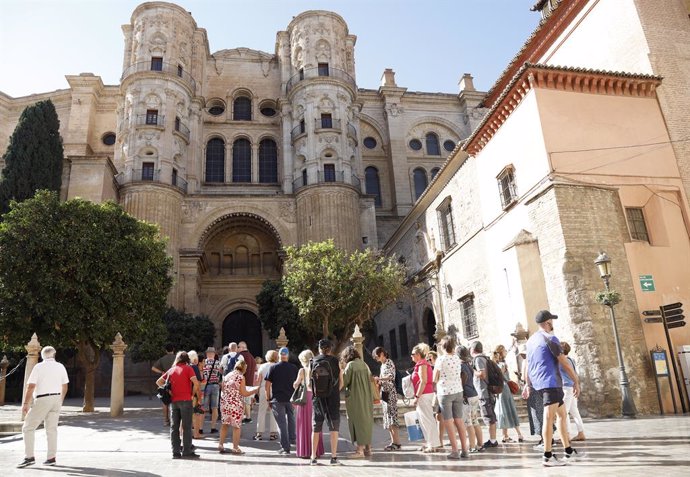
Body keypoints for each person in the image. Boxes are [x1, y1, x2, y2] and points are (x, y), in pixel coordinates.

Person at [525, 310, 580, 466]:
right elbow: (564, 362)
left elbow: (528, 364)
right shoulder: (550, 338)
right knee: (549, 419)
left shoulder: (531, 340)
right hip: (550, 383)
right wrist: (576, 381)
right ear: (548, 323)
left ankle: (568, 451)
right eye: (552, 321)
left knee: (562, 415)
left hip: (538, 383)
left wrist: (527, 384)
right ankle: (547, 456)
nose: (553, 324)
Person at [17, 346, 69, 468]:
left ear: (42, 355)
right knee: (51, 429)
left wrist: (25, 404)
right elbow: (65, 386)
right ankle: (51, 458)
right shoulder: (60, 366)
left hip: (42, 399)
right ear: (54, 354)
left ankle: (29, 457)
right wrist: (60, 400)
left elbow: (30, 386)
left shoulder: (39, 367)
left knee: (28, 427)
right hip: (56, 398)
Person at [156, 351, 200, 459]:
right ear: (187, 359)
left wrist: (170, 392)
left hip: (174, 401)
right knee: (187, 427)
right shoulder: (188, 369)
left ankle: (175, 452)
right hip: (186, 400)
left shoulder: (171, 370)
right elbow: (196, 383)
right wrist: (192, 394)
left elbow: (159, 382)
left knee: (174, 427)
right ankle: (187, 451)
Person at [433, 336, 469, 460]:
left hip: (445, 392)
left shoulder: (440, 359)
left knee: (448, 421)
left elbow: (434, 378)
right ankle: (465, 449)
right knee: (459, 420)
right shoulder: (457, 358)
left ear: (442, 347)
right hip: (458, 390)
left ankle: (455, 450)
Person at [310, 338, 343, 466]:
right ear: (330, 348)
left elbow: (309, 383)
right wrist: (333, 390)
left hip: (317, 398)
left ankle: (313, 457)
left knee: (316, 427)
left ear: (319, 348)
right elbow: (341, 382)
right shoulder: (336, 361)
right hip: (333, 397)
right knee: (334, 427)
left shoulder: (312, 361)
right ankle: (333, 457)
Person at [219, 359, 258, 454]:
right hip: (236, 404)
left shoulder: (227, 375)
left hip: (225, 403)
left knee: (225, 424)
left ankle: (220, 444)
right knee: (236, 426)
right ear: (244, 368)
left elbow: (223, 389)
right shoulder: (241, 377)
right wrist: (254, 390)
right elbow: (244, 393)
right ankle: (235, 447)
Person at [341, 346, 374, 458]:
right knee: (366, 421)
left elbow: (344, 382)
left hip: (355, 398)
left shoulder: (350, 365)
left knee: (358, 422)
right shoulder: (364, 364)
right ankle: (368, 448)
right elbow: (370, 378)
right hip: (366, 397)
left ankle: (359, 450)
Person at [266, 347, 299, 455]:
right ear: (287, 356)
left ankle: (285, 447)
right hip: (291, 398)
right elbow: (298, 383)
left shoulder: (273, 367)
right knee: (291, 419)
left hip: (277, 399)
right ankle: (293, 439)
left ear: (279, 356)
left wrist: (268, 399)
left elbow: (267, 385)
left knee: (281, 424)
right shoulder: (294, 368)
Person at [410, 343, 441, 453]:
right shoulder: (421, 364)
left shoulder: (422, 364)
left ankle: (433, 444)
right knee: (424, 420)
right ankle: (430, 443)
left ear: (418, 354)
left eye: (413, 354)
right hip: (424, 394)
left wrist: (417, 396)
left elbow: (423, 381)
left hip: (424, 394)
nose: (411, 356)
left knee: (427, 419)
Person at [294, 349, 325, 458]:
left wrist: (296, 384)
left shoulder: (302, 371)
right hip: (315, 398)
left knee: (304, 424)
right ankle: (316, 451)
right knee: (315, 425)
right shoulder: (316, 369)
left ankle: (305, 451)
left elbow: (296, 384)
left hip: (304, 399)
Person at [492, 344, 524, 443]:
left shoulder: (495, 364)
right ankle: (518, 434)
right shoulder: (502, 364)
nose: (506, 351)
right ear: (501, 352)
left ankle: (505, 435)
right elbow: (502, 377)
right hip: (504, 388)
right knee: (509, 409)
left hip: (500, 389)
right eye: (505, 350)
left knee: (503, 411)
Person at [372, 346, 401, 451]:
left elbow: (390, 376)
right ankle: (393, 441)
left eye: (377, 356)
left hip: (390, 392)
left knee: (392, 417)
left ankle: (396, 442)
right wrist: (378, 381)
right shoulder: (382, 365)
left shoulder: (389, 362)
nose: (377, 358)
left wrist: (378, 378)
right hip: (384, 392)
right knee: (387, 417)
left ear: (382, 354)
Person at [471, 341, 498, 449]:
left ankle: (492, 440)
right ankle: (493, 439)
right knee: (490, 417)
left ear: (472, 349)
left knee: (488, 417)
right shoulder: (485, 358)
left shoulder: (478, 359)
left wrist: (473, 371)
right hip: (487, 391)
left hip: (484, 392)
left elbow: (482, 374)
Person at [458, 345, 483, 453]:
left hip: (467, 395)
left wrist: (461, 391)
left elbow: (463, 378)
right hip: (474, 394)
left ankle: (472, 446)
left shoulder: (461, 366)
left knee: (468, 422)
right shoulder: (468, 364)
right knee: (475, 420)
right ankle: (480, 444)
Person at [520, 344, 546, 449]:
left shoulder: (526, 361)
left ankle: (544, 439)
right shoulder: (538, 359)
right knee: (543, 413)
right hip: (542, 387)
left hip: (532, 388)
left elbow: (524, 376)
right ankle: (548, 437)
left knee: (537, 413)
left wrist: (527, 385)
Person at [560, 342, 585, 441]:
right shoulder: (571, 360)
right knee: (574, 411)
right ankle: (581, 432)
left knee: (563, 413)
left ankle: (567, 435)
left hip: (566, 388)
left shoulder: (563, 361)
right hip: (572, 387)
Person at [254, 350, 279, 441]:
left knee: (261, 411)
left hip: (263, 388)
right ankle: (273, 433)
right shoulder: (278, 366)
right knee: (274, 412)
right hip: (275, 390)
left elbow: (258, 380)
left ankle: (259, 433)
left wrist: (257, 390)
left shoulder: (262, 366)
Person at [152, 344, 176, 425]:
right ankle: (175, 420)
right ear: (174, 349)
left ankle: (166, 420)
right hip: (175, 381)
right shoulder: (177, 358)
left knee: (165, 402)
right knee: (175, 401)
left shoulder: (162, 359)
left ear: (166, 350)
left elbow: (153, 368)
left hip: (165, 382)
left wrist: (162, 372)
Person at [201, 347, 222, 434]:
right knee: (214, 408)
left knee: (203, 408)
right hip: (215, 386)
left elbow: (202, 374)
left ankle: (200, 428)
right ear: (214, 354)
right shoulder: (218, 363)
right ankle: (213, 428)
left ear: (206, 354)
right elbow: (221, 375)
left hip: (206, 386)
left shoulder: (203, 363)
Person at [237, 341, 257, 423]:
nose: (237, 348)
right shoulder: (252, 356)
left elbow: (238, 369)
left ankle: (242, 417)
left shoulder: (241, 356)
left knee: (242, 401)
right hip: (250, 383)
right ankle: (248, 417)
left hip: (243, 382)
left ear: (242, 347)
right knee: (247, 402)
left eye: (238, 347)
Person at [187, 350, 204, 439]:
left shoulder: (185, 366)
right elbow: (197, 384)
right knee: (196, 414)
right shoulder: (194, 367)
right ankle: (196, 434)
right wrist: (199, 397)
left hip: (185, 394)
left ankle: (182, 434)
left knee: (184, 416)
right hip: (193, 394)